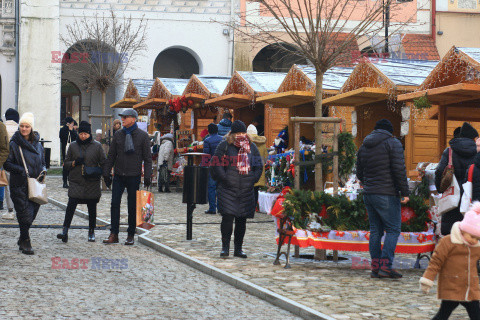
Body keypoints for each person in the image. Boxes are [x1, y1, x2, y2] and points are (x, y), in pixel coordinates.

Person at [356, 119, 409, 279]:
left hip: (369, 194)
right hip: (387, 194)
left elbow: (359, 172)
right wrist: (405, 192)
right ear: (390, 131)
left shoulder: (364, 146)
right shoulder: (393, 143)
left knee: (375, 231)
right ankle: (385, 267)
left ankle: (376, 267)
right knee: (393, 230)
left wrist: (368, 184)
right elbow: (399, 170)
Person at [420, 202, 480, 320]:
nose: (474, 240)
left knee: (476, 314)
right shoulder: (448, 242)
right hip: (451, 286)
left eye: (477, 238)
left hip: (470, 288)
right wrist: (427, 280)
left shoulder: (476, 246)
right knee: (443, 314)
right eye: (472, 236)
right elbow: (435, 262)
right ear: (463, 230)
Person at [211, 120, 263, 258]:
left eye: (242, 132)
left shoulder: (252, 147)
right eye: (238, 133)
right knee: (227, 219)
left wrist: (253, 179)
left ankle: (238, 249)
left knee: (241, 220)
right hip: (228, 189)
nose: (240, 135)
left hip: (246, 190)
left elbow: (259, 166)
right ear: (232, 134)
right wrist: (224, 178)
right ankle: (225, 248)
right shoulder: (224, 146)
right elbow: (215, 163)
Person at [102, 109, 152, 245]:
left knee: (132, 206)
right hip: (119, 174)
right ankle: (114, 234)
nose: (122, 119)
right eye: (122, 117)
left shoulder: (142, 136)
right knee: (114, 204)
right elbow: (111, 155)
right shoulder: (118, 134)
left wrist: (147, 176)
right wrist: (106, 173)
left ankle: (130, 234)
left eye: (125, 117)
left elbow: (147, 158)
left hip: (134, 175)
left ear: (134, 119)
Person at [57, 121, 106, 243]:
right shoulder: (73, 146)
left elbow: (103, 163)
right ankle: (65, 230)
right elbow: (66, 164)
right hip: (76, 181)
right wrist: (74, 163)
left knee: (92, 207)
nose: (83, 136)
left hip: (92, 181)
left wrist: (99, 172)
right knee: (71, 205)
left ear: (90, 134)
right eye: (81, 133)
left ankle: (91, 231)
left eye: (85, 134)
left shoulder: (97, 146)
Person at [4, 113, 46, 255]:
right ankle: (26, 241)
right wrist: (22, 170)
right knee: (24, 214)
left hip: (35, 184)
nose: (24, 129)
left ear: (31, 127)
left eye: (27, 126)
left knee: (33, 213)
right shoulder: (14, 144)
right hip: (19, 184)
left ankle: (22, 237)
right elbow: (7, 163)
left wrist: (43, 171)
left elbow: (43, 162)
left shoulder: (38, 145)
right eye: (22, 126)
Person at [435, 122, 478, 236]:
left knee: (451, 232)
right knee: (469, 232)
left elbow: (439, 171)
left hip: (452, 196)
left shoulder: (449, 151)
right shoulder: (477, 151)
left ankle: (452, 251)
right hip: (471, 196)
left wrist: (440, 188)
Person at [2, 108, 19, 219]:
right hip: (20, 161)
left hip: (6, 161)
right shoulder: (20, 128)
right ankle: (20, 209)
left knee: (8, 186)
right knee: (20, 185)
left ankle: (10, 210)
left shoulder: (3, 128)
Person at [246, 124, 267, 211]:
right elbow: (265, 157)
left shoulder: (247, 142)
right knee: (256, 190)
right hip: (259, 169)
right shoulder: (262, 143)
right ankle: (254, 207)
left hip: (249, 169)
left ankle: (248, 207)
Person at [203, 123, 222, 214]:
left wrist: (203, 166)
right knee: (220, 187)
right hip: (222, 166)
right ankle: (220, 207)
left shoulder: (207, 140)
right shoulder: (223, 139)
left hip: (212, 166)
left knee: (211, 187)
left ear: (209, 131)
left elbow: (206, 156)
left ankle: (212, 208)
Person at [59, 117, 77, 188]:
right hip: (65, 149)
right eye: (72, 123)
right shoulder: (63, 130)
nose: (73, 125)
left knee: (72, 165)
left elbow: (76, 138)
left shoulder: (73, 131)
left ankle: (71, 181)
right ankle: (65, 181)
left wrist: (71, 131)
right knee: (65, 165)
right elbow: (62, 137)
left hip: (73, 150)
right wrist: (68, 130)